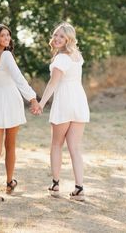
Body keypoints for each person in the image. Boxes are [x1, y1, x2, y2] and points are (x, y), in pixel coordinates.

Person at [0, 23, 39, 202]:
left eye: (8, 36)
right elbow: (18, 78)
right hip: (9, 100)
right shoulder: (6, 55)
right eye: (3, 36)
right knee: (8, 145)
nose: (7, 39)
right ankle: (8, 182)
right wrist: (32, 98)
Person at [32, 22, 90, 201]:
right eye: (56, 35)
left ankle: (55, 185)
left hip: (65, 101)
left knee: (57, 144)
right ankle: (79, 188)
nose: (57, 39)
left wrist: (41, 103)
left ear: (68, 39)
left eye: (62, 37)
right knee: (74, 147)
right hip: (79, 100)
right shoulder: (76, 55)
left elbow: (53, 83)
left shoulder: (61, 58)